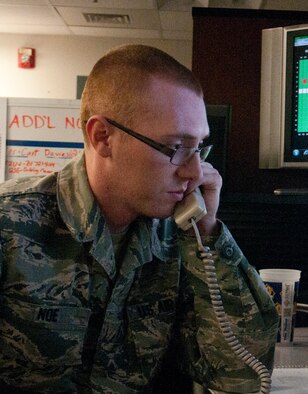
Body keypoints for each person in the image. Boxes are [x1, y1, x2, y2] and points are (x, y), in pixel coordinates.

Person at [0, 44, 278, 393]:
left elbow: (244, 375)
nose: (195, 172)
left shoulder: (179, 237)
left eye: (200, 147)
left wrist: (207, 235)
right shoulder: (10, 225)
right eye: (177, 147)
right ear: (102, 137)